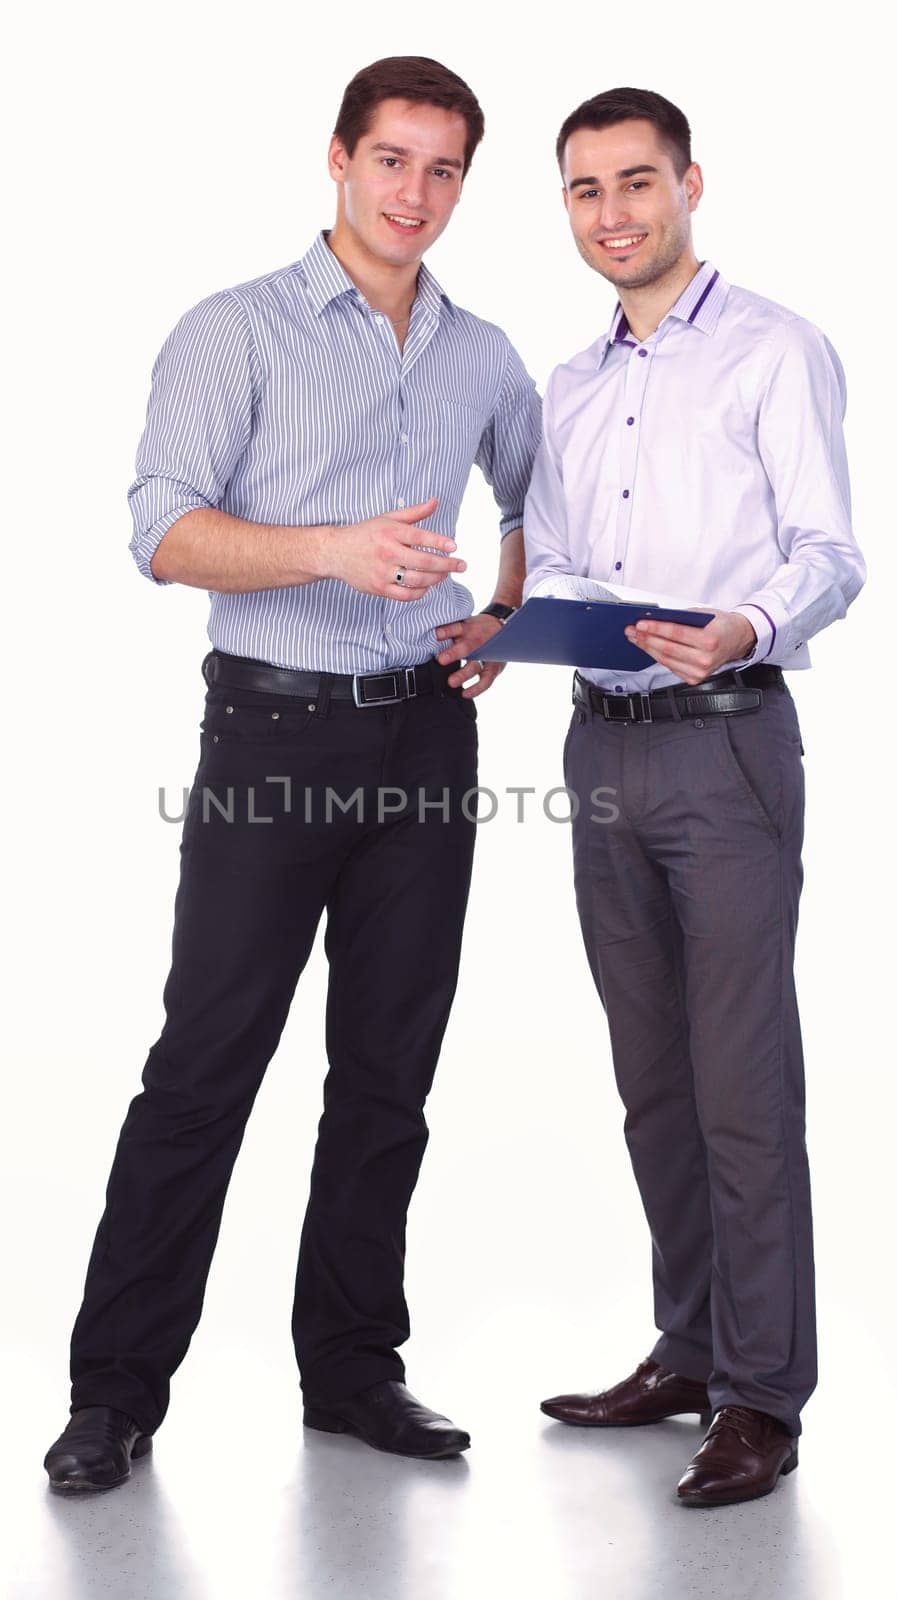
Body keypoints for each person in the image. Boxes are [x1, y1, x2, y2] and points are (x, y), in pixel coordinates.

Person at [43, 55, 541, 1491]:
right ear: (337, 158)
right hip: (271, 734)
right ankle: (115, 1394)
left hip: (426, 737)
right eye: (392, 159)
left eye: (444, 169)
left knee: (387, 1071)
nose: (415, 194)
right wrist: (330, 548)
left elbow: (539, 498)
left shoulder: (480, 352)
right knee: (205, 1066)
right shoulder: (234, 330)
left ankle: (352, 1372)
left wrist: (505, 614)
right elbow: (159, 531)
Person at [524, 87, 864, 1507]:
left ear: (689, 185)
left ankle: (761, 1397)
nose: (613, 213)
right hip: (596, 748)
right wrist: (506, 632)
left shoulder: (774, 352)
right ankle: (687, 1348)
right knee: (652, 1084)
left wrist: (743, 626)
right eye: (587, 190)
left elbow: (829, 552)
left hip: (723, 742)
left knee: (738, 1084)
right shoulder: (570, 384)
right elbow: (550, 557)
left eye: (636, 183)